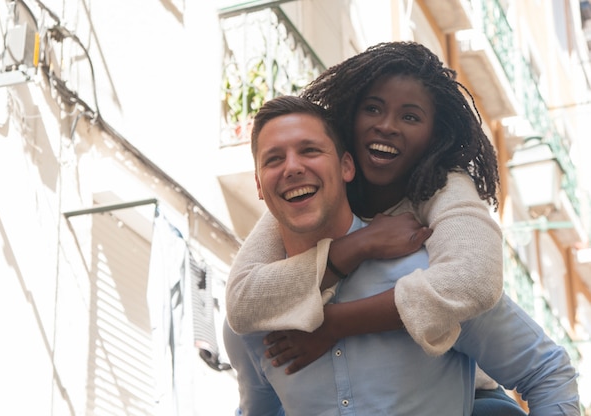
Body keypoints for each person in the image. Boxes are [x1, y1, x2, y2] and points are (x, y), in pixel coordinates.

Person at [222, 94, 580, 415]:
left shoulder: (434, 274)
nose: (292, 167)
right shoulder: (251, 325)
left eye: (310, 150)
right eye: (273, 159)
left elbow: (548, 372)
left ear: (347, 166)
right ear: (258, 184)